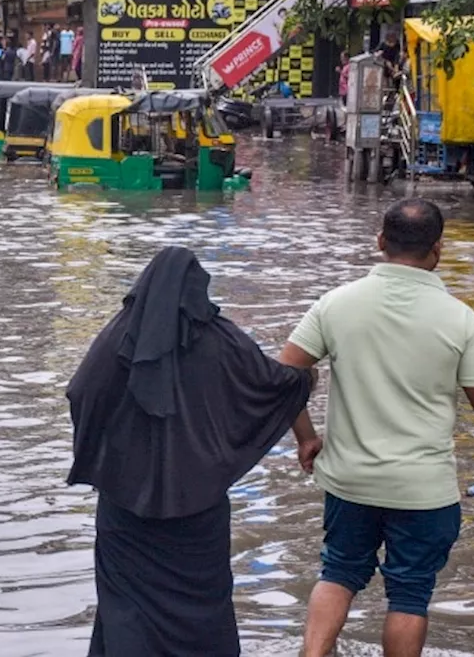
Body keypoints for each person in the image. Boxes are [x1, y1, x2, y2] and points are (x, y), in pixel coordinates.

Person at [279, 198, 474, 657]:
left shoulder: (336, 304)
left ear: (380, 242)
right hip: (422, 490)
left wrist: (307, 436)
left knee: (338, 573)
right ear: (438, 249)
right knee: (410, 593)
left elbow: (281, 380)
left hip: (350, 481)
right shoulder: (459, 319)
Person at [68, 247, 318, 656]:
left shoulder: (117, 339)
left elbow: (81, 394)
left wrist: (107, 457)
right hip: (197, 505)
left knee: (126, 607)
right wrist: (307, 380)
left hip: (124, 505)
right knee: (200, 608)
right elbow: (272, 385)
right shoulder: (222, 339)